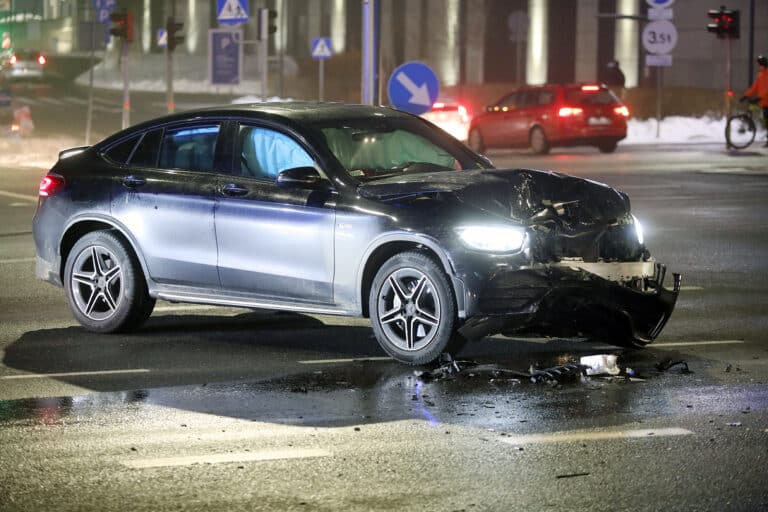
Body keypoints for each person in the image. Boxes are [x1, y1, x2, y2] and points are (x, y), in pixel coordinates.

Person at [740, 55, 768, 147]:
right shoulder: (760, 76)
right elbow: (754, 88)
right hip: (764, 102)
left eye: (759, 65)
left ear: (763, 65)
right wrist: (745, 95)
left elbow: (766, 90)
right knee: (766, 121)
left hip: (765, 101)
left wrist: (759, 97)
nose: (758, 66)